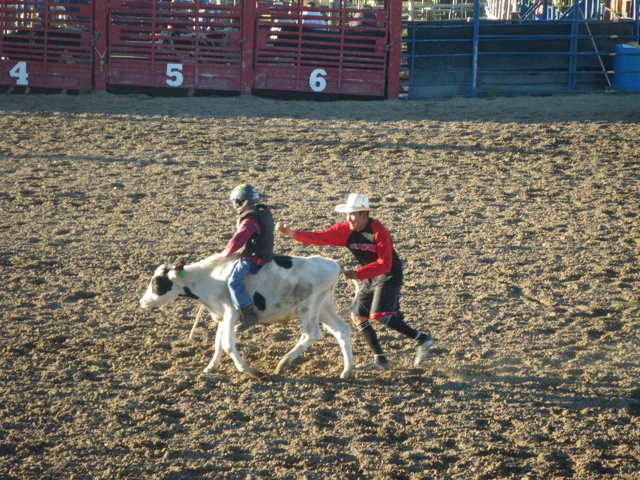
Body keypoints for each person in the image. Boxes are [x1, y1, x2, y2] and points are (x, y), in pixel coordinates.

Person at [276, 193, 435, 370]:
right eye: (347, 215)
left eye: (352, 214)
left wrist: (358, 273)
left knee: (379, 315)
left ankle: (422, 339)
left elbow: (385, 263)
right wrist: (292, 233)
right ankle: (381, 360)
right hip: (370, 275)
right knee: (358, 316)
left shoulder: (378, 231)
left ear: (364, 214)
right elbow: (321, 236)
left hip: (389, 275)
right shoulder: (346, 230)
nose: (349, 219)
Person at [222, 184, 274, 331]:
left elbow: (239, 239)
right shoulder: (263, 213)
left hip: (254, 258)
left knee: (233, 281)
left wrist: (226, 253)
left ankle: (248, 314)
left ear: (242, 202)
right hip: (266, 253)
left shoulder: (249, 220)